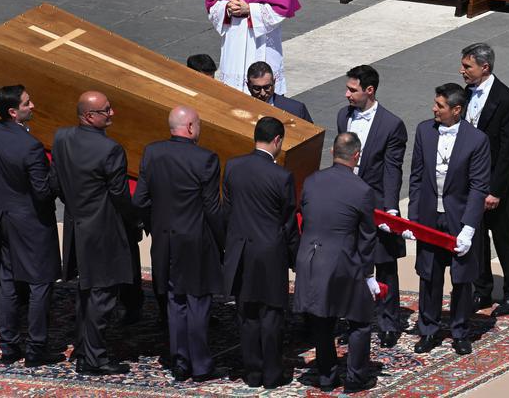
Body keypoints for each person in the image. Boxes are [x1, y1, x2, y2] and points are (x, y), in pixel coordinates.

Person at [134, 106, 224, 383]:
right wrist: (223, 241)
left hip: (164, 239)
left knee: (175, 300)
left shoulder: (152, 152)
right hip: (195, 240)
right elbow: (211, 207)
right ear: (190, 127)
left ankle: (180, 361)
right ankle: (200, 364)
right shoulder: (206, 158)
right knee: (197, 301)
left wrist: (156, 226)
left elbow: (140, 200)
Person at [50, 91, 136, 377]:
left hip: (77, 227)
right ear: (89, 116)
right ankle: (95, 359)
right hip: (104, 231)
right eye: (106, 111)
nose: (112, 114)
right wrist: (135, 221)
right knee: (102, 295)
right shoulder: (111, 150)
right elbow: (120, 196)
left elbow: (57, 181)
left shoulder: (61, 138)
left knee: (86, 292)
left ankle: (84, 348)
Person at [0, 85, 62, 366]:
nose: (33, 106)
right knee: (40, 284)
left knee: (9, 282)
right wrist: (56, 174)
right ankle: (36, 348)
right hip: (32, 224)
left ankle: (9, 345)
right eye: (27, 103)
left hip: (4, 219)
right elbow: (43, 191)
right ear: (14, 112)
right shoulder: (31, 147)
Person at [407, 82, 491, 356]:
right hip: (431, 216)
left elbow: (479, 186)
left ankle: (459, 330)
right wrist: (414, 219)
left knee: (461, 279)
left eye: (440, 106)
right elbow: (417, 177)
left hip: (459, 220)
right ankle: (428, 329)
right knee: (429, 275)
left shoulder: (477, 140)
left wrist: (469, 228)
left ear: (456, 110)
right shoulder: (424, 131)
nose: (434, 108)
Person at [294, 132, 378, 392]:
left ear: (332, 152)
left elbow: (305, 217)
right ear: (357, 156)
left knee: (322, 320)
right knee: (360, 320)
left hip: (312, 258)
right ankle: (355, 377)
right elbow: (367, 236)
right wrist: (368, 274)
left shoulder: (311, 181)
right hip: (344, 262)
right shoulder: (362, 190)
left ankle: (327, 376)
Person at [222, 115, 299, 390]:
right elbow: (289, 222)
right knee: (272, 315)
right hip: (270, 254)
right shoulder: (282, 176)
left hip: (241, 251)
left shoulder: (232, 167)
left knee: (247, 313)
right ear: (277, 140)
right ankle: (272, 373)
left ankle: (252, 373)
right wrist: (295, 258)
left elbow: (227, 212)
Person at [459, 43, 509, 316]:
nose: (463, 71)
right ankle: (482, 290)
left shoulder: (504, 99)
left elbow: (507, 150)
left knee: (503, 238)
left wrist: (495, 190)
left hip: (495, 183)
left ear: (485, 67)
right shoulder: (467, 94)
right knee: (477, 237)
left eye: (468, 66)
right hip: (472, 180)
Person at [337, 66, 408, 348]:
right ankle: (353, 318)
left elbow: (393, 171)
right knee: (349, 263)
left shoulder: (392, 125)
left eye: (352, 89)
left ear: (369, 90)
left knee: (384, 264)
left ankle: (389, 322)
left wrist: (390, 209)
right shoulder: (344, 115)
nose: (346, 94)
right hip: (347, 203)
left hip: (376, 204)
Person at [246, 61, 312, 121]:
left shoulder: (296, 110)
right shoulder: (240, 108)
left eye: (267, 87)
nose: (263, 93)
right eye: (257, 88)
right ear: (248, 86)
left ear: (274, 82)